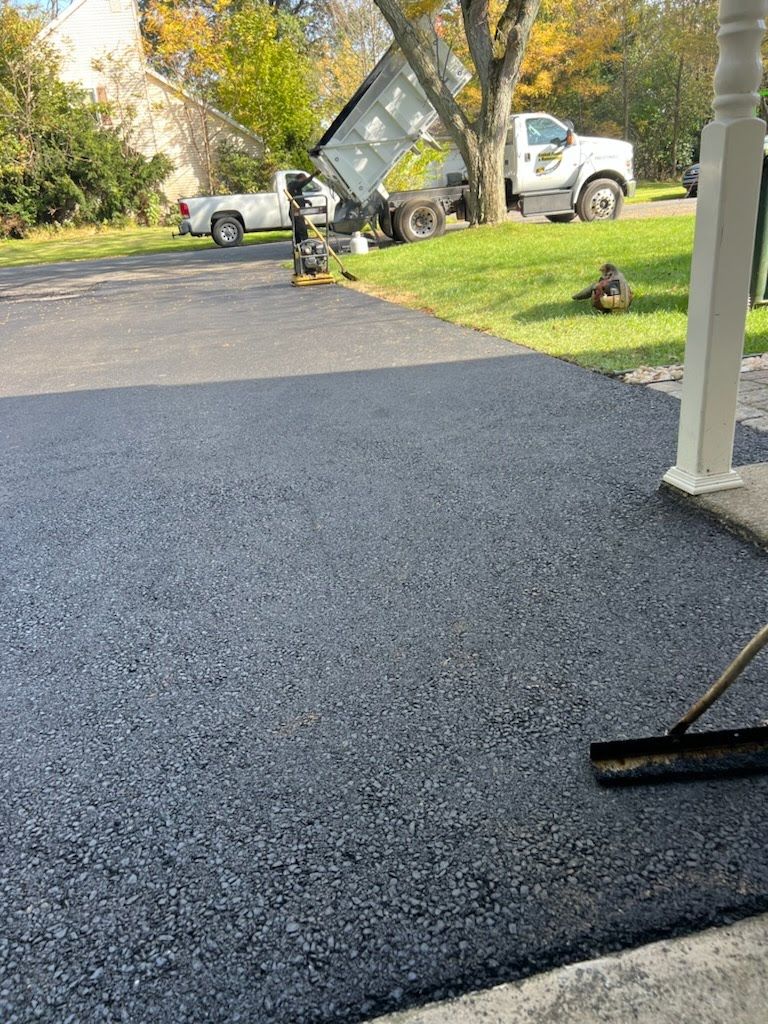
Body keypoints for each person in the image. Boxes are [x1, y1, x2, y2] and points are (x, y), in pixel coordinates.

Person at [287, 171, 318, 244]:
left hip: (297, 211)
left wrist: (306, 201)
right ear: (301, 179)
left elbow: (298, 199)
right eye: (304, 179)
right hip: (296, 212)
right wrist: (313, 175)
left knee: (297, 231)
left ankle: (298, 246)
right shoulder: (294, 184)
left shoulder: (296, 188)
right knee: (302, 230)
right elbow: (303, 183)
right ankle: (305, 244)